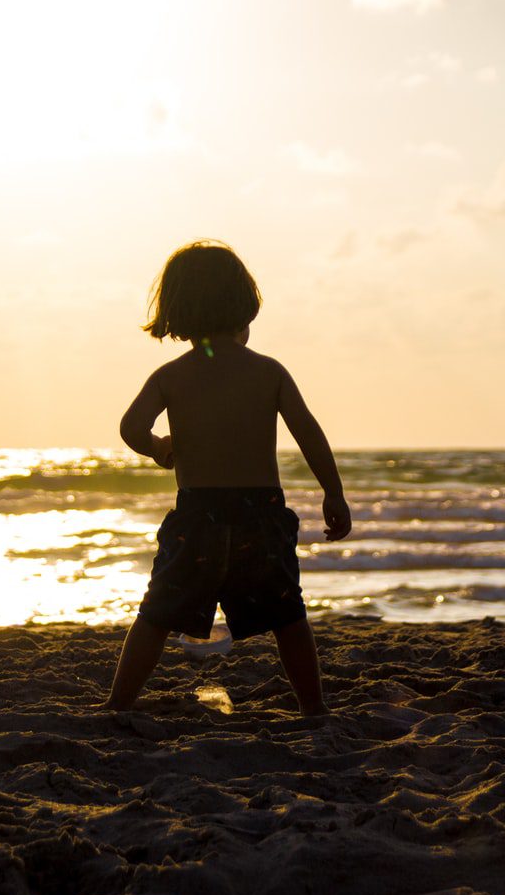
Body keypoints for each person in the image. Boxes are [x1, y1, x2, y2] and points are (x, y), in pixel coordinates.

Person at [108, 241, 351, 714]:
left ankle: (118, 704)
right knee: (288, 616)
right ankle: (314, 710)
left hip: (198, 515)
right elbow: (309, 434)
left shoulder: (171, 376)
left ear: (176, 309)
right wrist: (333, 492)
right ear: (243, 304)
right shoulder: (268, 372)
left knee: (156, 615)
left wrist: (159, 449)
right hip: (259, 516)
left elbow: (131, 428)